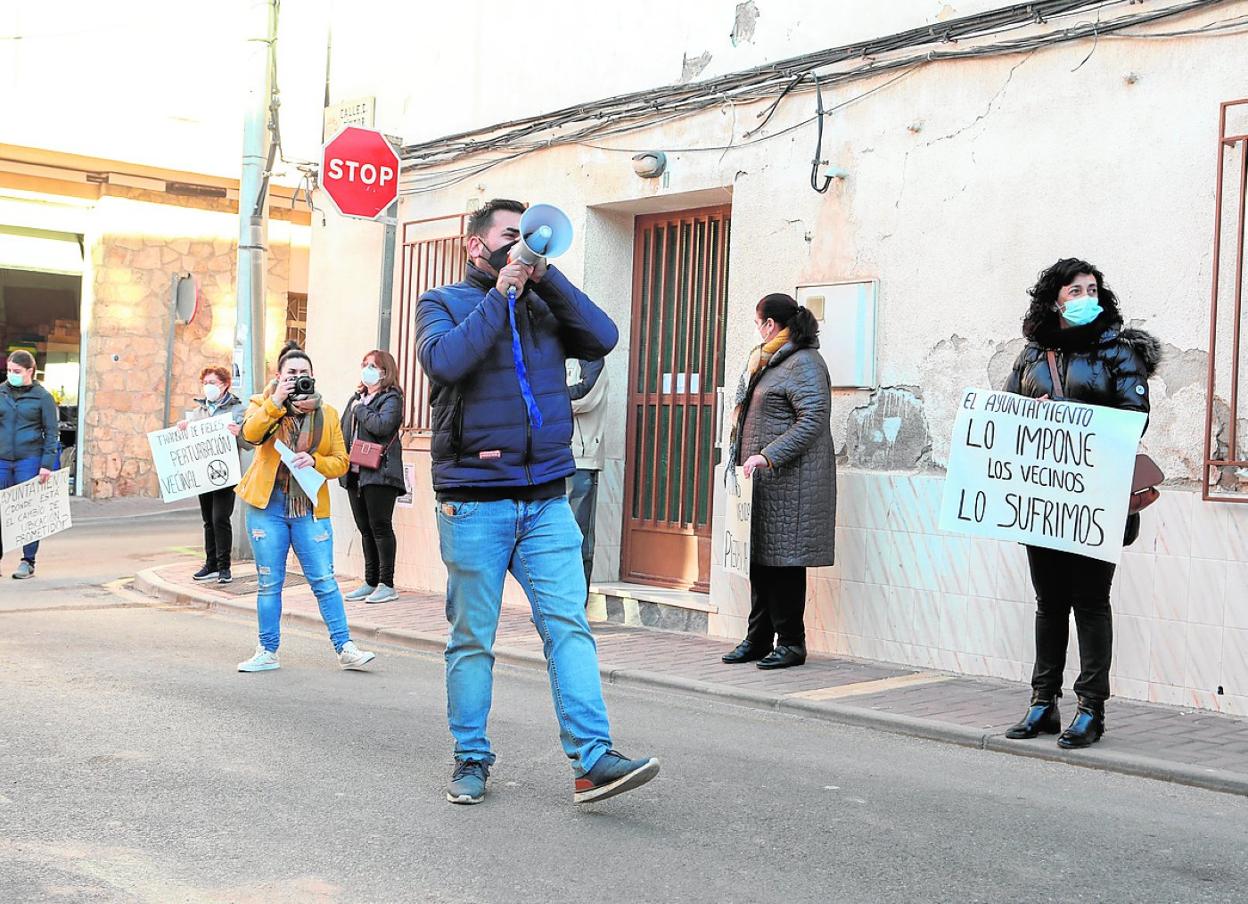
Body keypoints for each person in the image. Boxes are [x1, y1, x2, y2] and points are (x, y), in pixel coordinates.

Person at [415, 198, 658, 806]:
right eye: (508, 236)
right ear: (477, 246)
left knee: (569, 626)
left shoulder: (546, 303)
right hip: (474, 501)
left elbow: (603, 336)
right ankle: (471, 756)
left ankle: (592, 760)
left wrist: (547, 280)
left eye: (527, 236)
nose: (520, 244)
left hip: (547, 497)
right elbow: (445, 362)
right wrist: (500, 294)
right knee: (473, 637)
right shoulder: (443, 303)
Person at [1002, 258, 1159, 749]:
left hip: (1097, 498)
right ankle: (1042, 702)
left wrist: (1075, 418)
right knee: (1049, 603)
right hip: (1046, 499)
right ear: (1056, 299)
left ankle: (1091, 709)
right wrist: (1036, 417)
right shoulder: (1030, 357)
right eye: (1076, 290)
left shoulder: (1119, 352)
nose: (1085, 296)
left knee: (1091, 603)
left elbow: (1135, 416)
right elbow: (1009, 415)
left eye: (1092, 289)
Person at [233, 341, 376, 673]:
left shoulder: (327, 414)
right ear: (279, 376)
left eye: (304, 374)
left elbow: (341, 461)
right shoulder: (262, 403)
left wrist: (315, 460)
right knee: (270, 581)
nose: (298, 379)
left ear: (313, 377)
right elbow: (251, 434)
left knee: (324, 580)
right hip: (267, 506)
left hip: (308, 508)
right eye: (291, 373)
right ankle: (267, 651)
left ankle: (345, 648)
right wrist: (275, 401)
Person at [721, 293, 837, 671]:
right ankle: (758, 639)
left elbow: (813, 420)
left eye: (758, 323)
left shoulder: (803, 363)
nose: (757, 330)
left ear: (770, 324)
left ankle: (791, 643)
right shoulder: (771, 361)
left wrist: (768, 455)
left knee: (785, 566)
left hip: (791, 484)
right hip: (765, 485)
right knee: (761, 563)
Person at [340, 349, 405, 605]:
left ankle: (386, 583)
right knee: (364, 528)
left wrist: (360, 411)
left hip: (380, 472)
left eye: (373, 366)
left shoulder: (391, 398)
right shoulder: (357, 398)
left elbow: (382, 426)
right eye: (364, 364)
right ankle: (370, 580)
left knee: (380, 527)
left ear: (385, 371)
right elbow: (344, 428)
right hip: (355, 472)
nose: (367, 369)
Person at [180, 366, 247, 585]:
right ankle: (210, 563)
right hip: (203, 473)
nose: (208, 387)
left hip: (225, 472)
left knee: (220, 518)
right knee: (208, 519)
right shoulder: (200, 409)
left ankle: (224, 566)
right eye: (205, 382)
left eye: (213, 383)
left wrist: (239, 433)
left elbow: (248, 442)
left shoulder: (237, 409)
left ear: (225, 384)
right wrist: (184, 428)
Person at [0, 350, 58, 580]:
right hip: (2, 460)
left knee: (28, 513)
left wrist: (46, 464)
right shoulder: (1, 392)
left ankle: (28, 561)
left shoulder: (42, 397)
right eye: (8, 371)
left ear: (30, 371)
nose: (11, 375)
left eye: (16, 372)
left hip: (29, 459)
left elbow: (52, 433)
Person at [566, 357, 608, 601]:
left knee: (578, 538)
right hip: (552, 460)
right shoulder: (556, 354)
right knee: (551, 539)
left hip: (582, 460)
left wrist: (549, 395)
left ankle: (575, 606)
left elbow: (584, 397)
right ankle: (552, 604)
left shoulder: (593, 359)